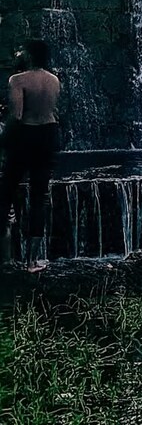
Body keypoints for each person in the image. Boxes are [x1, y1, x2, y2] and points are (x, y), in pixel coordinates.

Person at [0, 40, 60, 272]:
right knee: (39, 196)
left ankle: (5, 257)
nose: (18, 53)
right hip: (49, 135)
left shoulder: (17, 80)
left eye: (22, 50)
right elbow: (50, 109)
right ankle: (32, 261)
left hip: (26, 135)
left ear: (30, 55)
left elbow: (17, 115)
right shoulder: (54, 80)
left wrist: (4, 140)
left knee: (6, 191)